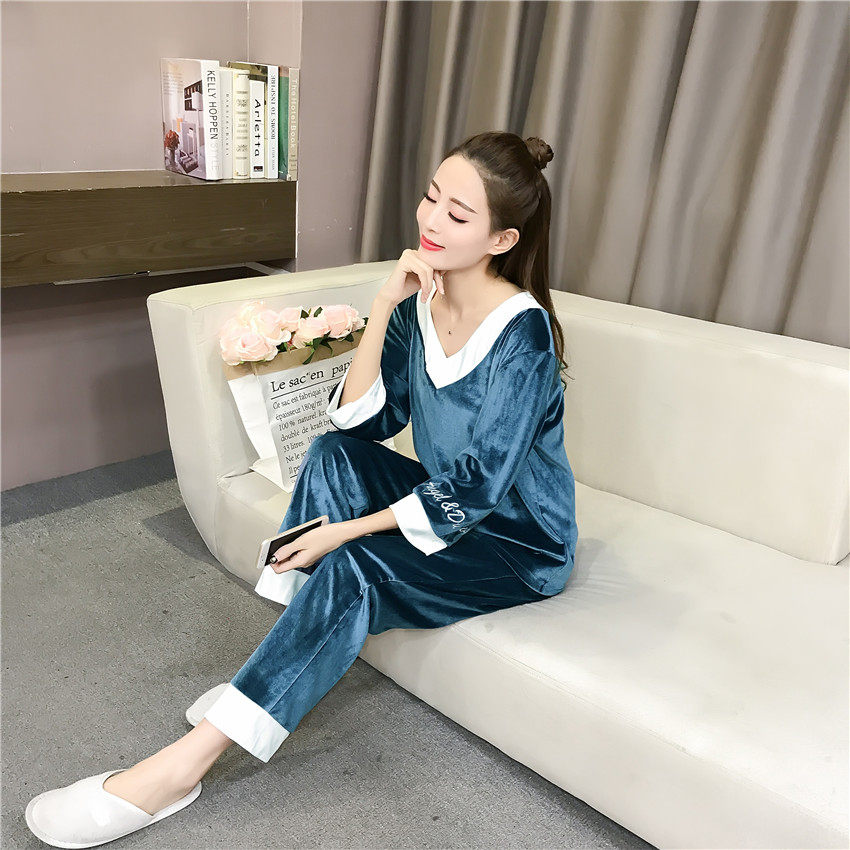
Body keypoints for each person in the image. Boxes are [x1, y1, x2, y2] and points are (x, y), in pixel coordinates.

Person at [24, 131, 579, 848]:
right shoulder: (423, 301)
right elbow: (364, 422)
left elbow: (478, 489)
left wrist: (343, 531)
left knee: (355, 564)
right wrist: (386, 304)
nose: (431, 219)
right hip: (453, 503)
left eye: (458, 213)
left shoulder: (523, 338)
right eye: (431, 197)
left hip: (516, 541)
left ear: (502, 239)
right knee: (333, 455)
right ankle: (281, 657)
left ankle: (179, 770)